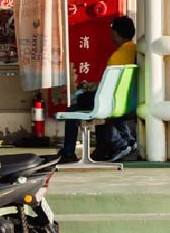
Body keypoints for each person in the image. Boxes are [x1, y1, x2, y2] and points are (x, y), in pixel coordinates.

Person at [59, 16, 138, 161]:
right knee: (96, 104)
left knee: (74, 108)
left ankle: (68, 153)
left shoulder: (116, 57)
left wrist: (90, 87)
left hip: (110, 102)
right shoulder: (136, 51)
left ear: (115, 33)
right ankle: (125, 141)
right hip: (126, 101)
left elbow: (107, 89)